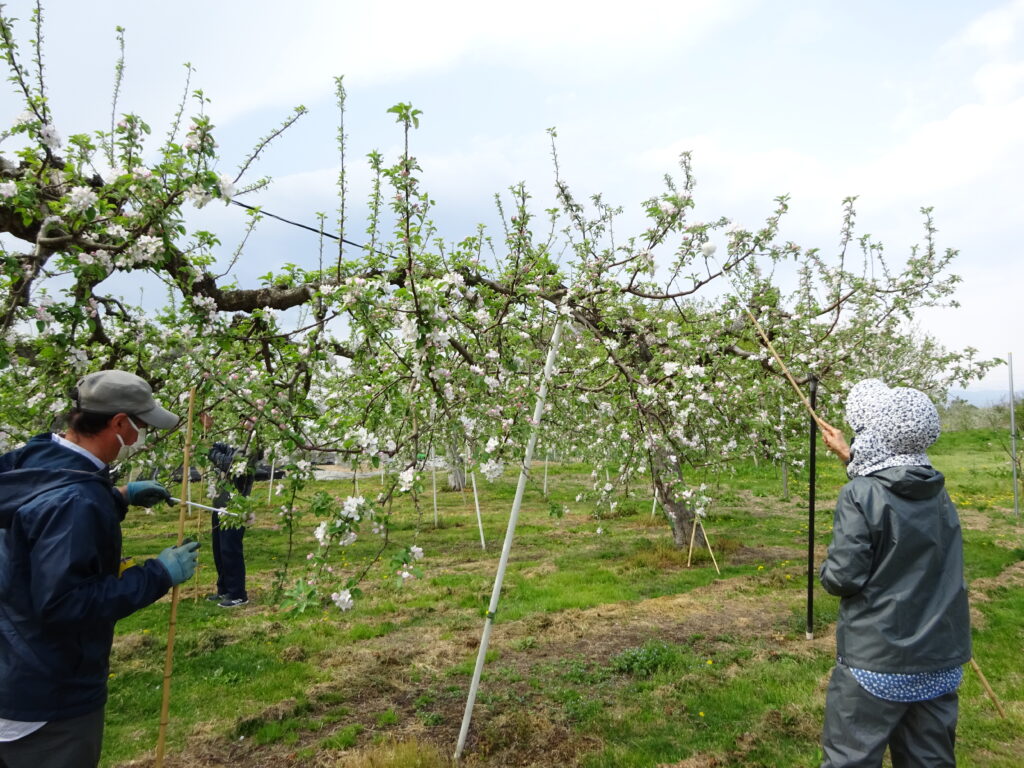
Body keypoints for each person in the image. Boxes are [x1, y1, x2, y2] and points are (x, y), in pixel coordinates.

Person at [0, 370, 200, 768]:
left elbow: (42, 515)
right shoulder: (77, 499)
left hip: (13, 664)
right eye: (140, 426)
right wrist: (157, 574)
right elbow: (64, 604)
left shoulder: (37, 459)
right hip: (49, 698)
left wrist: (118, 496)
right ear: (119, 423)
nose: (141, 436)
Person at [817, 379, 971, 768]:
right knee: (929, 760)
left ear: (874, 431)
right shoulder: (938, 492)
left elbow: (843, 577)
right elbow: (893, 485)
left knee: (851, 758)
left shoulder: (860, 494)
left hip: (878, 660)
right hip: (939, 658)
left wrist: (826, 570)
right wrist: (850, 456)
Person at [200, 412, 254, 608]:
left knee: (230, 549)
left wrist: (209, 451)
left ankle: (238, 593)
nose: (243, 423)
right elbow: (222, 449)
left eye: (247, 420)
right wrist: (206, 433)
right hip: (220, 503)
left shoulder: (254, 447)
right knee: (219, 549)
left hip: (235, 505)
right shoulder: (239, 444)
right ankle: (224, 589)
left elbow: (229, 463)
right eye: (242, 419)